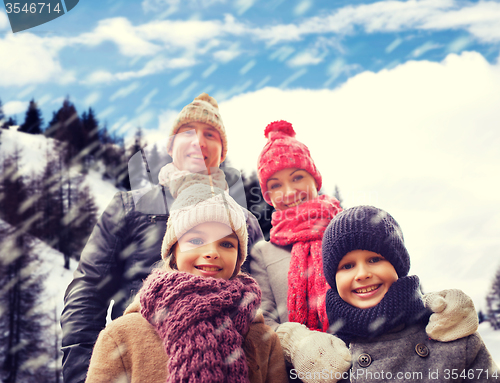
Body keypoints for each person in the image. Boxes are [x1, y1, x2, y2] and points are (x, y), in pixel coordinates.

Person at [250, 120, 480, 382]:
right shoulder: (264, 254)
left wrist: (436, 308)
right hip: (306, 372)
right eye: (276, 184)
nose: (289, 191)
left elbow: (393, 284)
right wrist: (299, 342)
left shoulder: (349, 230)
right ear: (268, 194)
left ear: (314, 178)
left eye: (297, 177)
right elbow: (264, 321)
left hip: (374, 355)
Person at [61, 93, 264, 383]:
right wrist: (86, 375)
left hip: (228, 367)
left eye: (211, 134)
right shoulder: (129, 207)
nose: (199, 141)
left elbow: (261, 302)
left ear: (222, 151)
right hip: (140, 362)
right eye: (188, 132)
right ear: (171, 146)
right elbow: (88, 291)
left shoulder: (244, 221)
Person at [85, 184, 288, 383]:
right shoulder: (122, 336)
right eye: (197, 241)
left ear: (238, 260)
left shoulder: (264, 340)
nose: (212, 252)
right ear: (173, 253)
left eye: (226, 244)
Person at [321, 205, 498, 383]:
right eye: (347, 266)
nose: (362, 274)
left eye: (374, 259)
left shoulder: (450, 334)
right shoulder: (326, 357)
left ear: (398, 266)